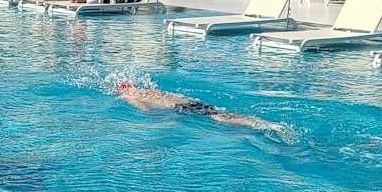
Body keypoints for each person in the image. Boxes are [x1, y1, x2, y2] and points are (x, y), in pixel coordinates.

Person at [115, 81, 288, 135]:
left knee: (220, 119)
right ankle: (260, 122)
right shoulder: (148, 89)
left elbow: (145, 110)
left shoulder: (129, 96)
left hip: (182, 107)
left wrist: (158, 119)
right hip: (191, 102)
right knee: (223, 114)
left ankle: (261, 125)